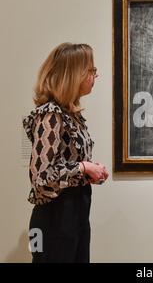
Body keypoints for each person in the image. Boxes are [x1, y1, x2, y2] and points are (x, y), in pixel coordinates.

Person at [23, 42, 109, 263]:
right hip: (54, 222)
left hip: (75, 216)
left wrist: (89, 171)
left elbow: (64, 166)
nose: (94, 76)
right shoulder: (50, 115)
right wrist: (82, 167)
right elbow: (41, 179)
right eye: (91, 70)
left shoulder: (70, 115)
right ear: (74, 74)